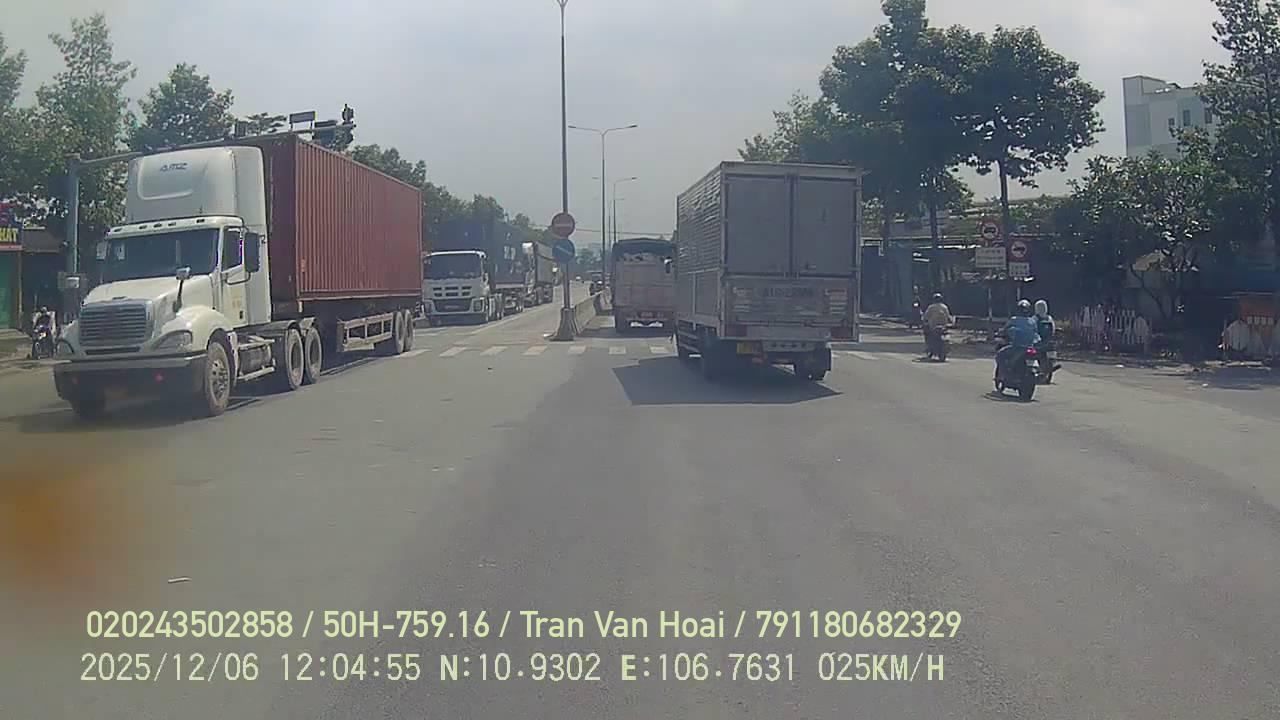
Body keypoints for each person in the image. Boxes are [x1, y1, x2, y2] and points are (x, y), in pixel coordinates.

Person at [995, 299, 1041, 380]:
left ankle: (1003, 374)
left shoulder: (1014, 319)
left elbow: (1005, 329)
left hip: (1017, 347)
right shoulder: (1032, 321)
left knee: (999, 355)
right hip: (1030, 348)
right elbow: (1036, 334)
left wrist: (999, 333)